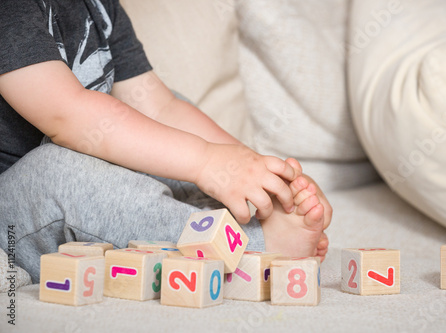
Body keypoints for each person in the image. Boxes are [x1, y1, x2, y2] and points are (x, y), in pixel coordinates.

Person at [0, 0, 332, 282]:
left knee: (159, 114)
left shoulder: (99, 6)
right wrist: (205, 161)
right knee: (59, 170)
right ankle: (250, 247)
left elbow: (160, 107)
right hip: (15, 210)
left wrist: (250, 171)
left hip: (87, 169)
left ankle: (234, 214)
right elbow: (68, 116)